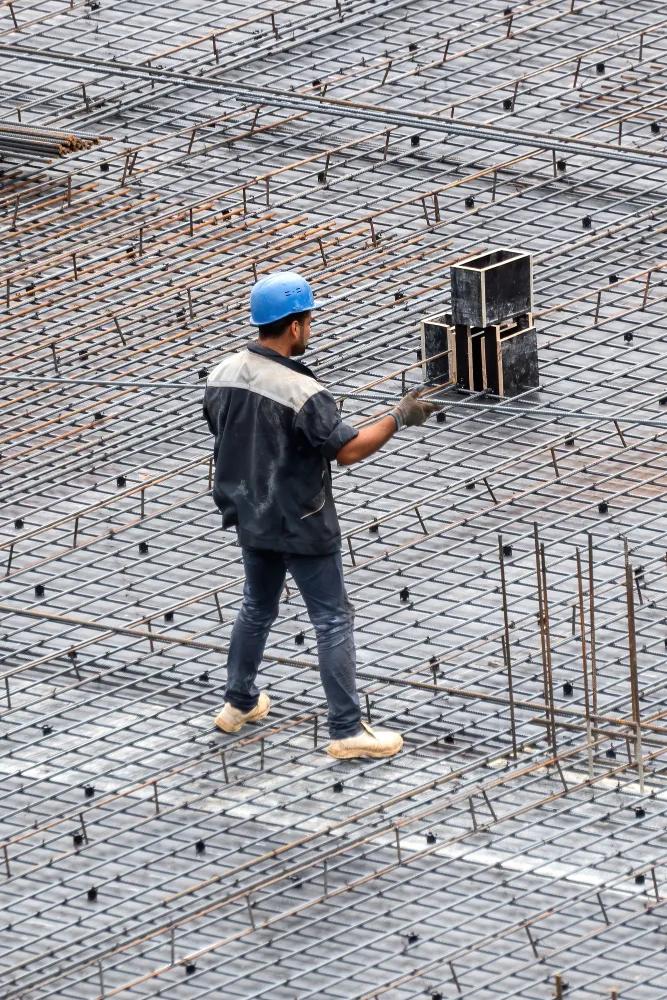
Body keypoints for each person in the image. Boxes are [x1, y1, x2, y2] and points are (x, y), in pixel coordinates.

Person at [203, 270, 441, 759]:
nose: (310, 329)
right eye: (308, 322)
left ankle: (238, 702)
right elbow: (347, 450)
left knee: (256, 607)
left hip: (251, 514)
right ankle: (346, 730)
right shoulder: (301, 391)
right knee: (332, 619)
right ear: (294, 326)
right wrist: (399, 417)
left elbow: (222, 429)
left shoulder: (222, 372)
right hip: (302, 522)